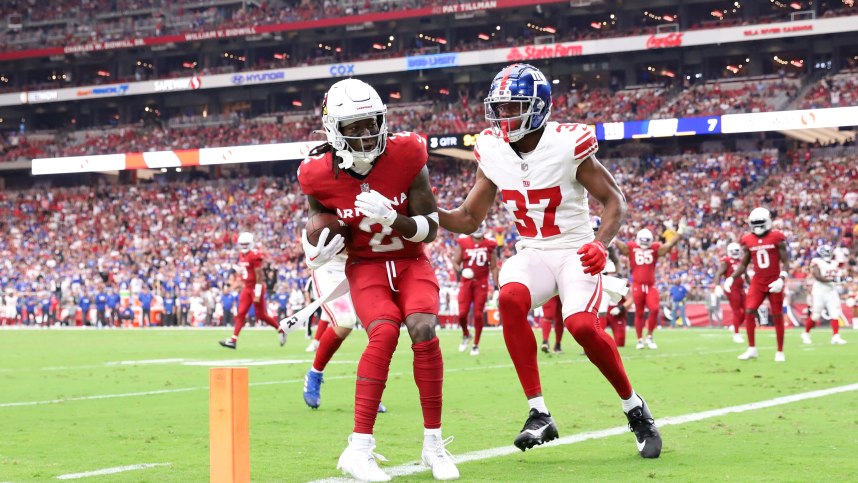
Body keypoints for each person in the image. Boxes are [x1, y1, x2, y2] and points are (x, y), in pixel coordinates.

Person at [438, 63, 661, 459]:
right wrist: (421, 212)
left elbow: (614, 200)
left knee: (580, 326)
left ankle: (635, 407)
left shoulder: (567, 143)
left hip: (576, 248)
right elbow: (469, 218)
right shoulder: (490, 149)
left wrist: (602, 242)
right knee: (508, 300)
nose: (504, 117)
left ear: (538, 107)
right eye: (500, 109)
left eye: (514, 108)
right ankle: (538, 412)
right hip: (534, 250)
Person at [296, 78, 458, 481]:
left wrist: (393, 219)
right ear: (334, 129)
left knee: (423, 328)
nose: (368, 133)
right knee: (383, 333)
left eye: (372, 123)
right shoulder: (316, 173)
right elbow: (321, 226)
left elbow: (430, 230)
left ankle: (434, 445)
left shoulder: (406, 153)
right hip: (366, 267)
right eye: (356, 127)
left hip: (411, 260)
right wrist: (318, 249)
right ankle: (359, 447)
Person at [301, 252, 387, 414]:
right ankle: (315, 373)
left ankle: (370, 394)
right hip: (331, 268)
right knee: (344, 322)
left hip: (361, 267)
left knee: (382, 327)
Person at [723, 207, 791, 362]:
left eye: (760, 222)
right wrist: (731, 278)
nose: (758, 226)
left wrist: (782, 278)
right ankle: (752, 348)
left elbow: (786, 262)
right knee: (749, 311)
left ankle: (780, 351)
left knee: (777, 315)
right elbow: (743, 264)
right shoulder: (748, 239)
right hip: (758, 282)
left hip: (774, 281)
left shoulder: (777, 237)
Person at [613, 221, 686, 349]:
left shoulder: (655, 248)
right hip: (637, 285)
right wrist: (612, 236)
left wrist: (679, 233)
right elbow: (621, 246)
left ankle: (649, 337)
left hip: (651, 285)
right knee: (639, 313)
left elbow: (668, 245)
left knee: (654, 309)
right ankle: (640, 339)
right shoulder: (632, 247)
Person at [218, 232, 287, 349]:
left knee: (261, 315)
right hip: (247, 287)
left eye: (246, 244)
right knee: (240, 313)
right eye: (242, 244)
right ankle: (233, 340)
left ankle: (280, 329)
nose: (244, 246)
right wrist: (237, 284)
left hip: (256, 287)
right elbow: (246, 273)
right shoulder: (242, 255)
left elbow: (259, 276)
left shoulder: (255, 255)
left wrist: (258, 293)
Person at [453, 222, 499, 355]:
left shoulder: (490, 243)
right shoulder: (463, 241)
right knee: (462, 314)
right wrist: (461, 271)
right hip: (466, 282)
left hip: (481, 282)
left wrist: (496, 284)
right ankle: (466, 334)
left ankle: (475, 344)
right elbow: (456, 262)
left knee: (478, 314)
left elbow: (494, 266)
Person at [802, 244, 847, 345]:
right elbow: (817, 276)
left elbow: (840, 274)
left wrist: (841, 279)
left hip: (831, 291)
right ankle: (806, 333)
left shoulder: (835, 263)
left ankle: (836, 336)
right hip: (820, 290)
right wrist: (832, 280)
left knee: (835, 313)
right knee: (816, 314)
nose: (827, 254)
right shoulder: (817, 261)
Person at [714, 243, 748, 343]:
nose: (736, 253)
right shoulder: (726, 261)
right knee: (737, 311)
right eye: (734, 251)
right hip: (732, 288)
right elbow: (719, 273)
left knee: (748, 310)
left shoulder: (741, 261)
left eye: (737, 250)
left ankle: (734, 326)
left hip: (741, 288)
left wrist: (752, 286)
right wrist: (717, 285)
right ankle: (736, 334)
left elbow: (746, 275)